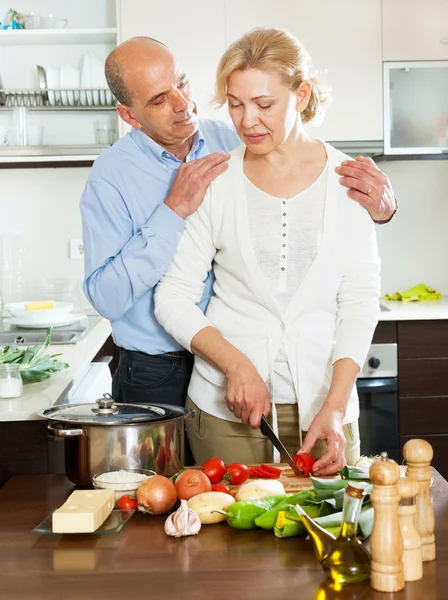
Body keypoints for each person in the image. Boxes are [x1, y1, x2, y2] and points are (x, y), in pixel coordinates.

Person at [81, 35, 394, 414]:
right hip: (155, 370)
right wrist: (172, 210)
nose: (183, 105)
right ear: (129, 115)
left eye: (181, 83)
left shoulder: (232, 138)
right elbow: (106, 297)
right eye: (160, 99)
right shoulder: (110, 177)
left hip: (231, 362)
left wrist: (380, 208)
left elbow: (301, 166)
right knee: (158, 476)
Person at [154, 28, 381, 476]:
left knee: (331, 538)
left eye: (264, 104)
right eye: (235, 104)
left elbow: (359, 300)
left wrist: (335, 406)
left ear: (301, 94)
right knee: (231, 542)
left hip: (326, 413)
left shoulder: (348, 180)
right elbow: (172, 296)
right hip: (226, 413)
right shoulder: (216, 182)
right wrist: (235, 364)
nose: (247, 121)